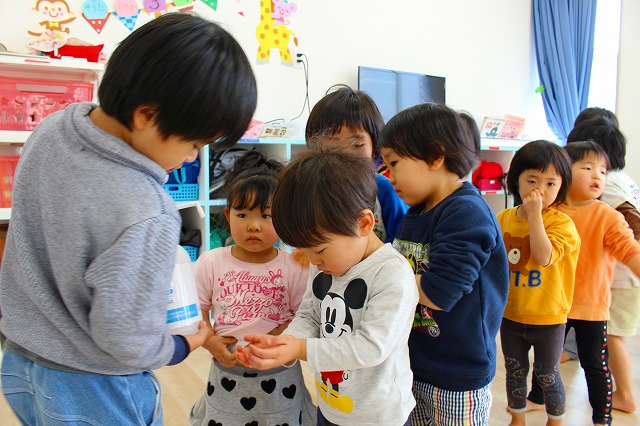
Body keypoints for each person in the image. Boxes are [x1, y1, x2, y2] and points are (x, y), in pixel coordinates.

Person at [0, 13, 257, 425]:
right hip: (94, 385)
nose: (191, 157)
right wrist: (178, 347)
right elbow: (125, 338)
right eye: (193, 143)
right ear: (146, 116)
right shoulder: (147, 209)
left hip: (19, 360)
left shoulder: (51, 130)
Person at [236, 150, 419, 426]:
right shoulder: (324, 263)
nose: (313, 261)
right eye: (304, 251)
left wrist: (300, 348)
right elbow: (310, 315)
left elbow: (371, 347)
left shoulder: (392, 274)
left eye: (319, 250)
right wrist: (286, 342)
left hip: (378, 417)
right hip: (331, 404)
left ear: (363, 224)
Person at [378, 103, 509, 425]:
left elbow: (439, 292)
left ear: (435, 156)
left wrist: (380, 281)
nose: (389, 176)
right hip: (415, 363)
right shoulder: (416, 212)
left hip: (458, 374)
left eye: (394, 163)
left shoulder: (466, 212)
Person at [189, 150, 316, 425]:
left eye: (266, 216)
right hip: (226, 372)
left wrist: (274, 340)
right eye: (243, 214)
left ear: (284, 217)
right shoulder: (211, 261)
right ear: (228, 215)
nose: (254, 226)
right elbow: (197, 309)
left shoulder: (293, 265)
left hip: (279, 374)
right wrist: (209, 341)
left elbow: (302, 317)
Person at [526, 141, 640, 426]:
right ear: (564, 173)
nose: (597, 175)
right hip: (553, 305)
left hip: (592, 307)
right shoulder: (550, 212)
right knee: (546, 359)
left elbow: (629, 250)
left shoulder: (607, 216)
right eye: (587, 168)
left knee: (595, 366)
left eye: (602, 170)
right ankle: (537, 397)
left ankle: (602, 417)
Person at [496, 140, 580, 426]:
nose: (540, 190)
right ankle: (517, 419)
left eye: (550, 183)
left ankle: (555, 421)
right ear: (515, 180)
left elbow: (544, 257)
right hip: (511, 315)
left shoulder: (562, 224)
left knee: (547, 374)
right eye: (532, 181)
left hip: (548, 317)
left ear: (562, 186)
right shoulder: (503, 219)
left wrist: (534, 215)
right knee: (514, 370)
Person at [570, 112, 640, 414]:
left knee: (613, 336)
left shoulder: (606, 184)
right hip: (619, 274)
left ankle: (625, 395)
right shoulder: (620, 178)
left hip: (623, 275)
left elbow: (633, 224)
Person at [305, 84, 408, 243]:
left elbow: (404, 242)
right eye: (333, 145)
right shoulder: (309, 190)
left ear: (374, 149)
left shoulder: (384, 190)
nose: (346, 154)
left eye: (357, 145)